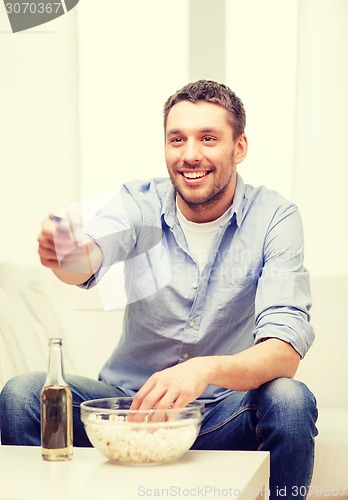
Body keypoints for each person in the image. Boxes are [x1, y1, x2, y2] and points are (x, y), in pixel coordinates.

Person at [0, 80, 318, 498]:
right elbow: (86, 258)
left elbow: (284, 350)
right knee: (22, 394)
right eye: (177, 139)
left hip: (223, 414)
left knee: (291, 402)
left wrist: (203, 369)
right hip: (128, 410)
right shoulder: (140, 202)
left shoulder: (276, 218)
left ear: (239, 147)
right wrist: (63, 252)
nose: (190, 155)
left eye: (208, 138)